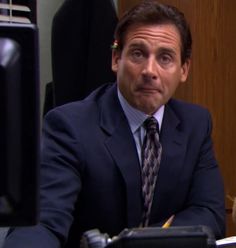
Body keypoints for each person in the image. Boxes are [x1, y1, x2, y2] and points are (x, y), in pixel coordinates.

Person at [3, 0, 225, 247]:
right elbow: (42, 223)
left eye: (165, 58)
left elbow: (210, 213)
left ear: (184, 69)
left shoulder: (196, 123)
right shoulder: (69, 126)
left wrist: (137, 242)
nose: (149, 70)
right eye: (138, 54)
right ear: (116, 59)